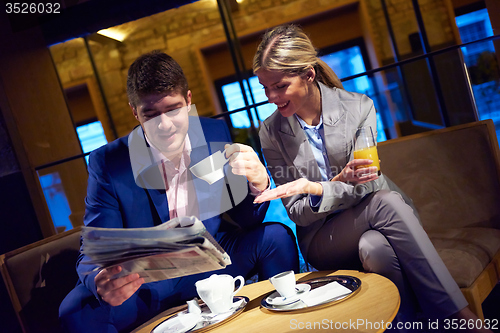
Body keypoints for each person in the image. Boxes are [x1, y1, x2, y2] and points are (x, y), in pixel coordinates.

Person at [252, 24, 490, 332]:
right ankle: (460, 319)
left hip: (381, 220)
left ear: (308, 75)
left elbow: (368, 182)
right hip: (323, 239)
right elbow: (298, 212)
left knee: (374, 247)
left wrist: (318, 187)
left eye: (280, 86)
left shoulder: (359, 107)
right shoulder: (271, 133)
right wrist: (338, 182)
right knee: (387, 201)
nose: (272, 97)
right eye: (265, 88)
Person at [59, 50, 299, 333]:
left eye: (173, 109)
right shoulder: (110, 163)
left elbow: (247, 219)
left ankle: (286, 324)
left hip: (209, 258)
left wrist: (258, 184)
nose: (164, 125)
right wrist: (100, 277)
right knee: (75, 310)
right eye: (150, 114)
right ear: (135, 112)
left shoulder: (213, 133)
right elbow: (95, 246)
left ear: (188, 100)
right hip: (146, 280)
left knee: (275, 237)